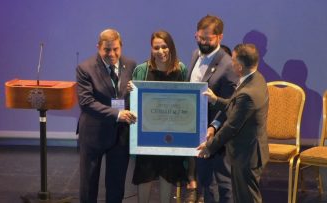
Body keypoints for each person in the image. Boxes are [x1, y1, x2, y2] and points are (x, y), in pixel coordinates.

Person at [198, 43, 269, 203]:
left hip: (247, 155)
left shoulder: (248, 94)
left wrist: (209, 147)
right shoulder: (256, 78)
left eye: (234, 60)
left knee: (247, 198)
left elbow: (231, 126)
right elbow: (237, 107)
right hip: (249, 151)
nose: (231, 62)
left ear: (240, 66)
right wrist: (216, 100)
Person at [76, 28, 137, 203]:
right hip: (93, 133)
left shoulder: (131, 65)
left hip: (120, 135)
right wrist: (118, 114)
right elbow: (86, 103)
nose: (112, 54)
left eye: (115, 49)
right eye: (107, 50)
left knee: (116, 184)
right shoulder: (85, 68)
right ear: (98, 47)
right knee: (89, 184)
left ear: (121, 46)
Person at [130, 30, 188, 203]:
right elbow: (134, 102)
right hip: (147, 132)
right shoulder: (142, 70)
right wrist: (129, 92)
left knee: (168, 173)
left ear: (171, 47)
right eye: (156, 47)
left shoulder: (181, 69)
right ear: (151, 49)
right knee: (145, 174)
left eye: (164, 46)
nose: (161, 51)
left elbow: (186, 100)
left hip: (172, 133)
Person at [185, 15, 238, 203]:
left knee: (224, 181)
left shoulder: (229, 65)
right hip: (197, 129)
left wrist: (214, 127)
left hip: (218, 132)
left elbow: (230, 103)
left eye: (208, 39)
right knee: (205, 180)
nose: (203, 42)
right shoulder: (194, 55)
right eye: (200, 38)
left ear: (220, 37)